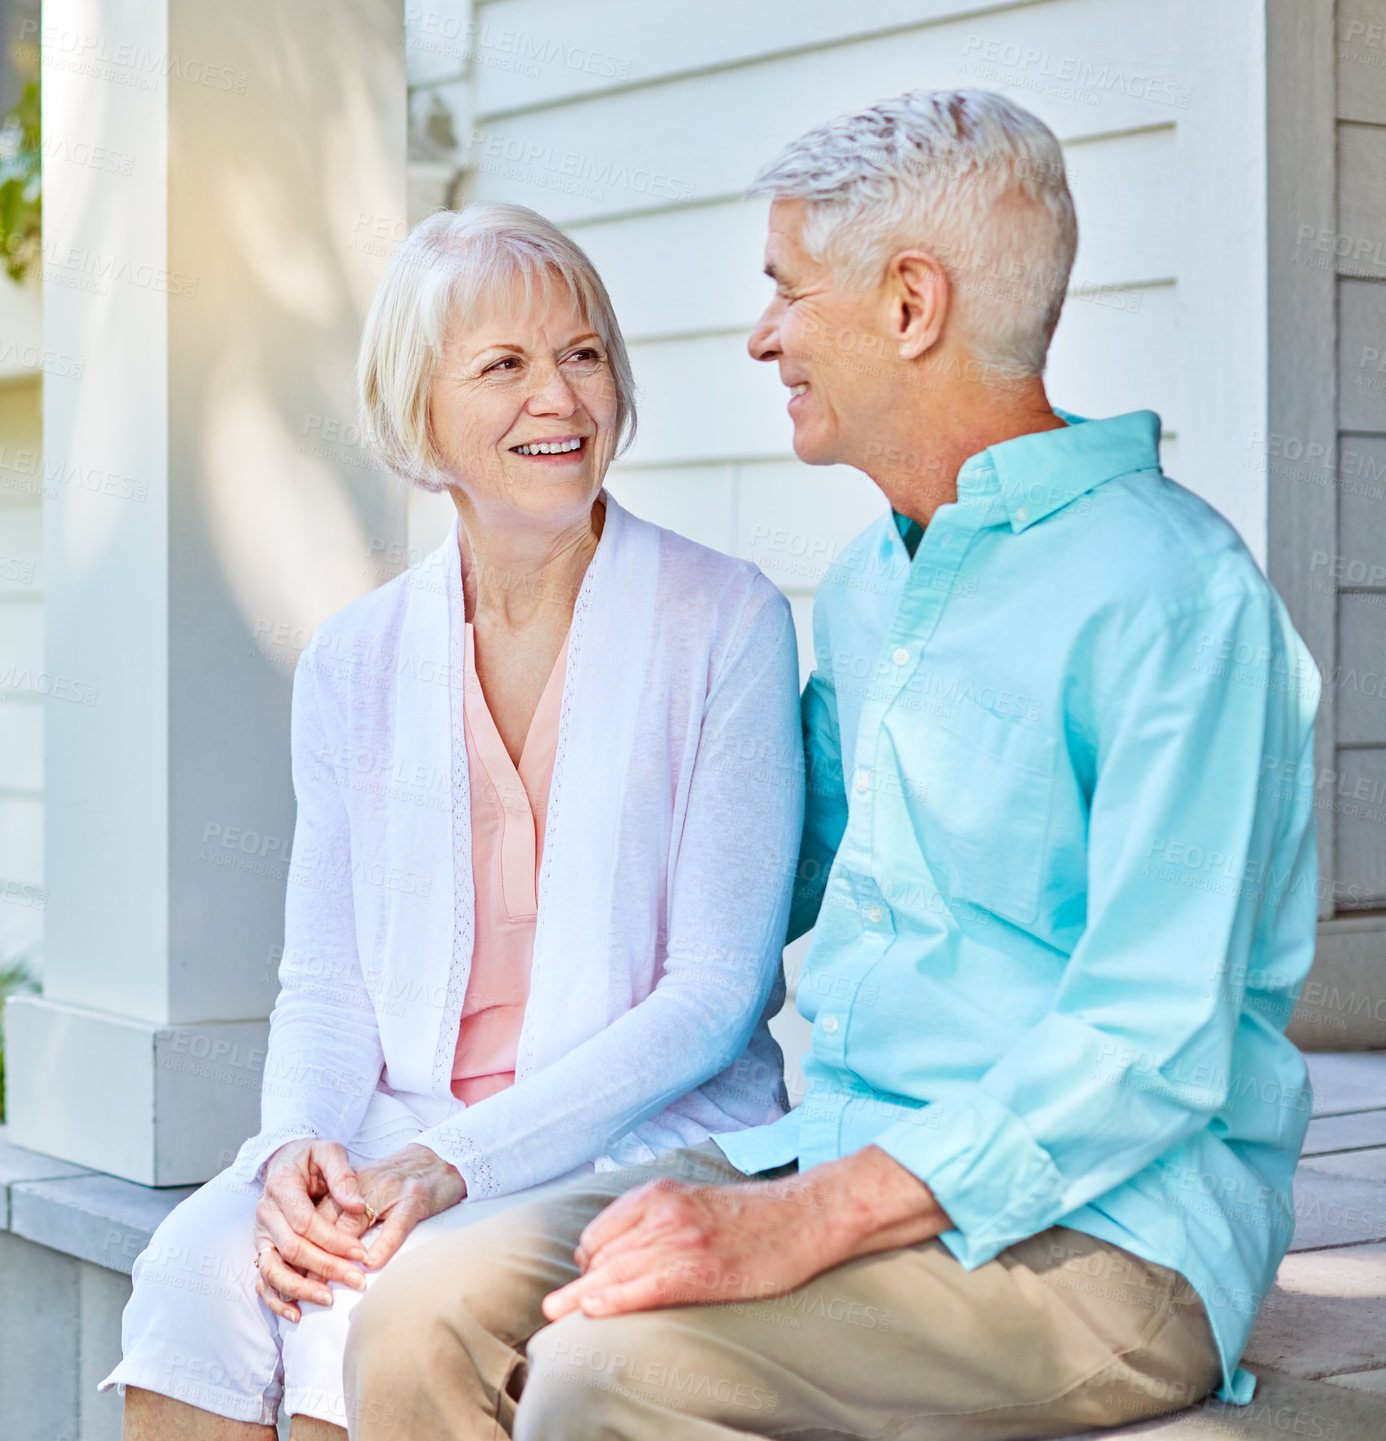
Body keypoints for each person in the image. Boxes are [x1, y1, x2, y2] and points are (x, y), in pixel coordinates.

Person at [342, 90, 1322, 1441]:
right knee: (418, 1306)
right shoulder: (871, 584)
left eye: (785, 291)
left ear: (909, 306)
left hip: (1105, 1237)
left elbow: (1146, 1046)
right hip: (839, 1148)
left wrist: (799, 1221)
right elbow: (759, 866)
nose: (760, 335)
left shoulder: (1173, 599)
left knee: (606, 1373)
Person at [103, 202, 803, 1439]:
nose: (562, 398)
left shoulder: (725, 620)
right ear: (421, 419)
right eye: (506, 365)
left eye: (584, 355)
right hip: (393, 1121)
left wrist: (453, 1165)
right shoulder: (353, 660)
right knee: (197, 1272)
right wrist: (293, 1155)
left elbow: (716, 994)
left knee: (356, 1308)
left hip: (630, 1126)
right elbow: (327, 983)